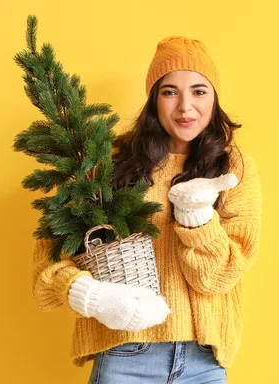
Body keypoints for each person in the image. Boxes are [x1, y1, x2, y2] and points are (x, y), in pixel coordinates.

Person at [30, 36, 263, 383]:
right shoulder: (108, 162)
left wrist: (197, 218)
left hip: (203, 361)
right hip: (125, 357)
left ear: (214, 98)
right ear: (153, 99)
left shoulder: (232, 168)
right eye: (170, 91)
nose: (186, 107)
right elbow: (48, 259)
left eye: (199, 91)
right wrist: (90, 295)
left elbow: (219, 276)